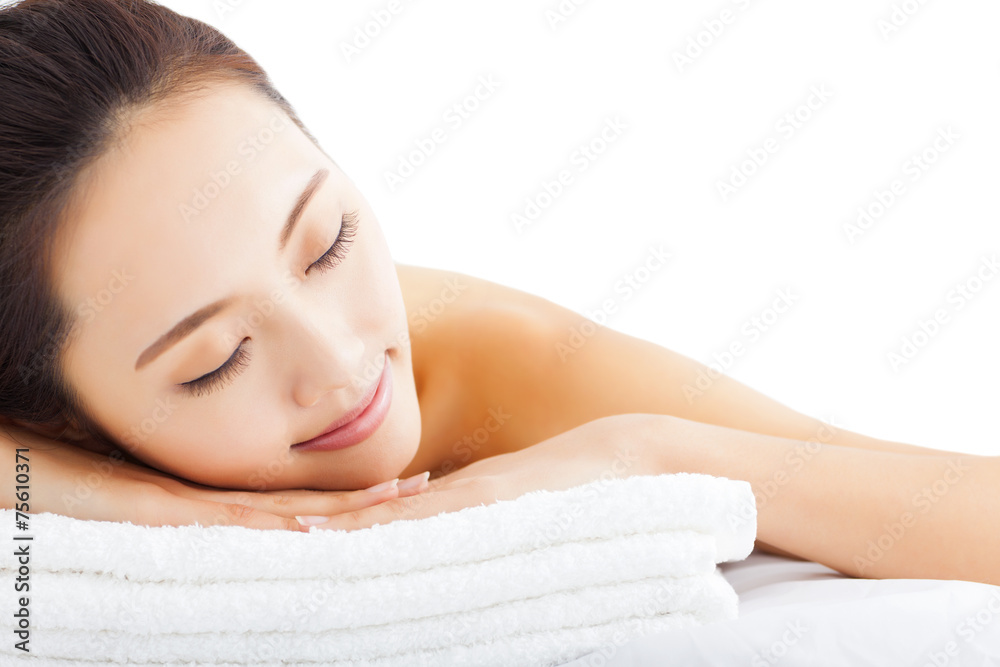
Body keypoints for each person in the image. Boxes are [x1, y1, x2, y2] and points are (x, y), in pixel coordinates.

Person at [0, 0, 996, 585]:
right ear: (63, 418)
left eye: (327, 240)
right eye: (213, 362)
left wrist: (650, 451)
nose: (343, 366)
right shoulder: (61, 433)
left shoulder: (491, 363)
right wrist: (162, 509)